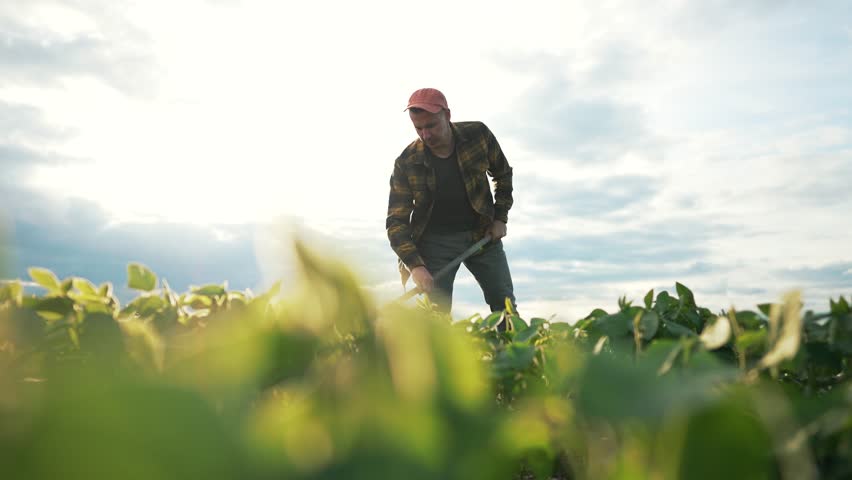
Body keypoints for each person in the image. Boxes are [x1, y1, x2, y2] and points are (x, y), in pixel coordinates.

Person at [385, 87, 517, 322]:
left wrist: (500, 217)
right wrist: (415, 266)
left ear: (447, 115)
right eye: (418, 128)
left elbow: (503, 174)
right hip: (434, 243)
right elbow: (396, 222)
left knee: (504, 306)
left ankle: (515, 356)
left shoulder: (478, 134)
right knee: (435, 318)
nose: (425, 135)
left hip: (482, 233)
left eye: (431, 126)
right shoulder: (406, 162)